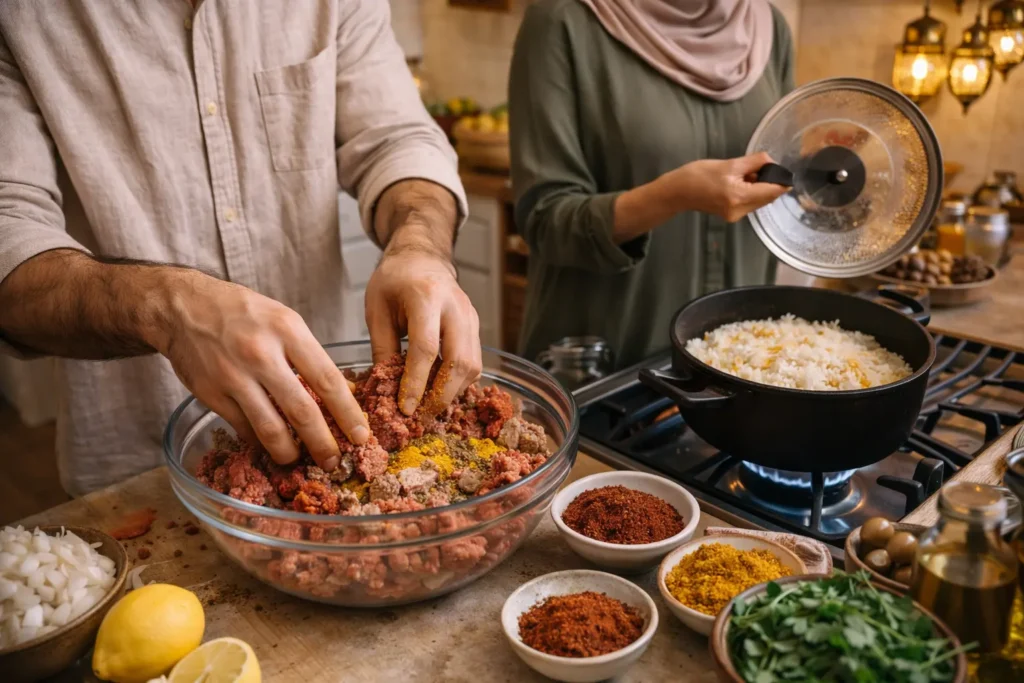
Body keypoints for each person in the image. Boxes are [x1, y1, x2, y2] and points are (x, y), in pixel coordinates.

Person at [0, 1, 481, 496]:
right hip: (139, 468)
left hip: (343, 446)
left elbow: (396, 139)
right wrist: (168, 309)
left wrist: (419, 243)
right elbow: (9, 236)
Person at [509, 0, 795, 368]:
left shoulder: (768, 25)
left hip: (740, 366)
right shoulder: (561, 20)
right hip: (607, 367)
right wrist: (673, 195)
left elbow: (781, 169)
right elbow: (545, 220)